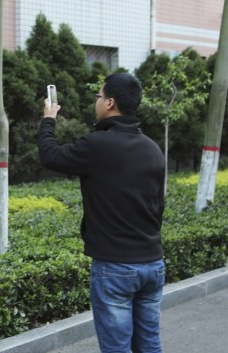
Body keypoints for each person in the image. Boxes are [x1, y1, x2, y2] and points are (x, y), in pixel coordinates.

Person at [37, 73, 166, 352]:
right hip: (153, 264)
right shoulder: (153, 149)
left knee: (116, 348)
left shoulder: (97, 144)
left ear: (110, 102)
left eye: (98, 96)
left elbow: (50, 155)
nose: (96, 102)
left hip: (115, 267)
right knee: (149, 345)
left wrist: (49, 119)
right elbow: (158, 208)